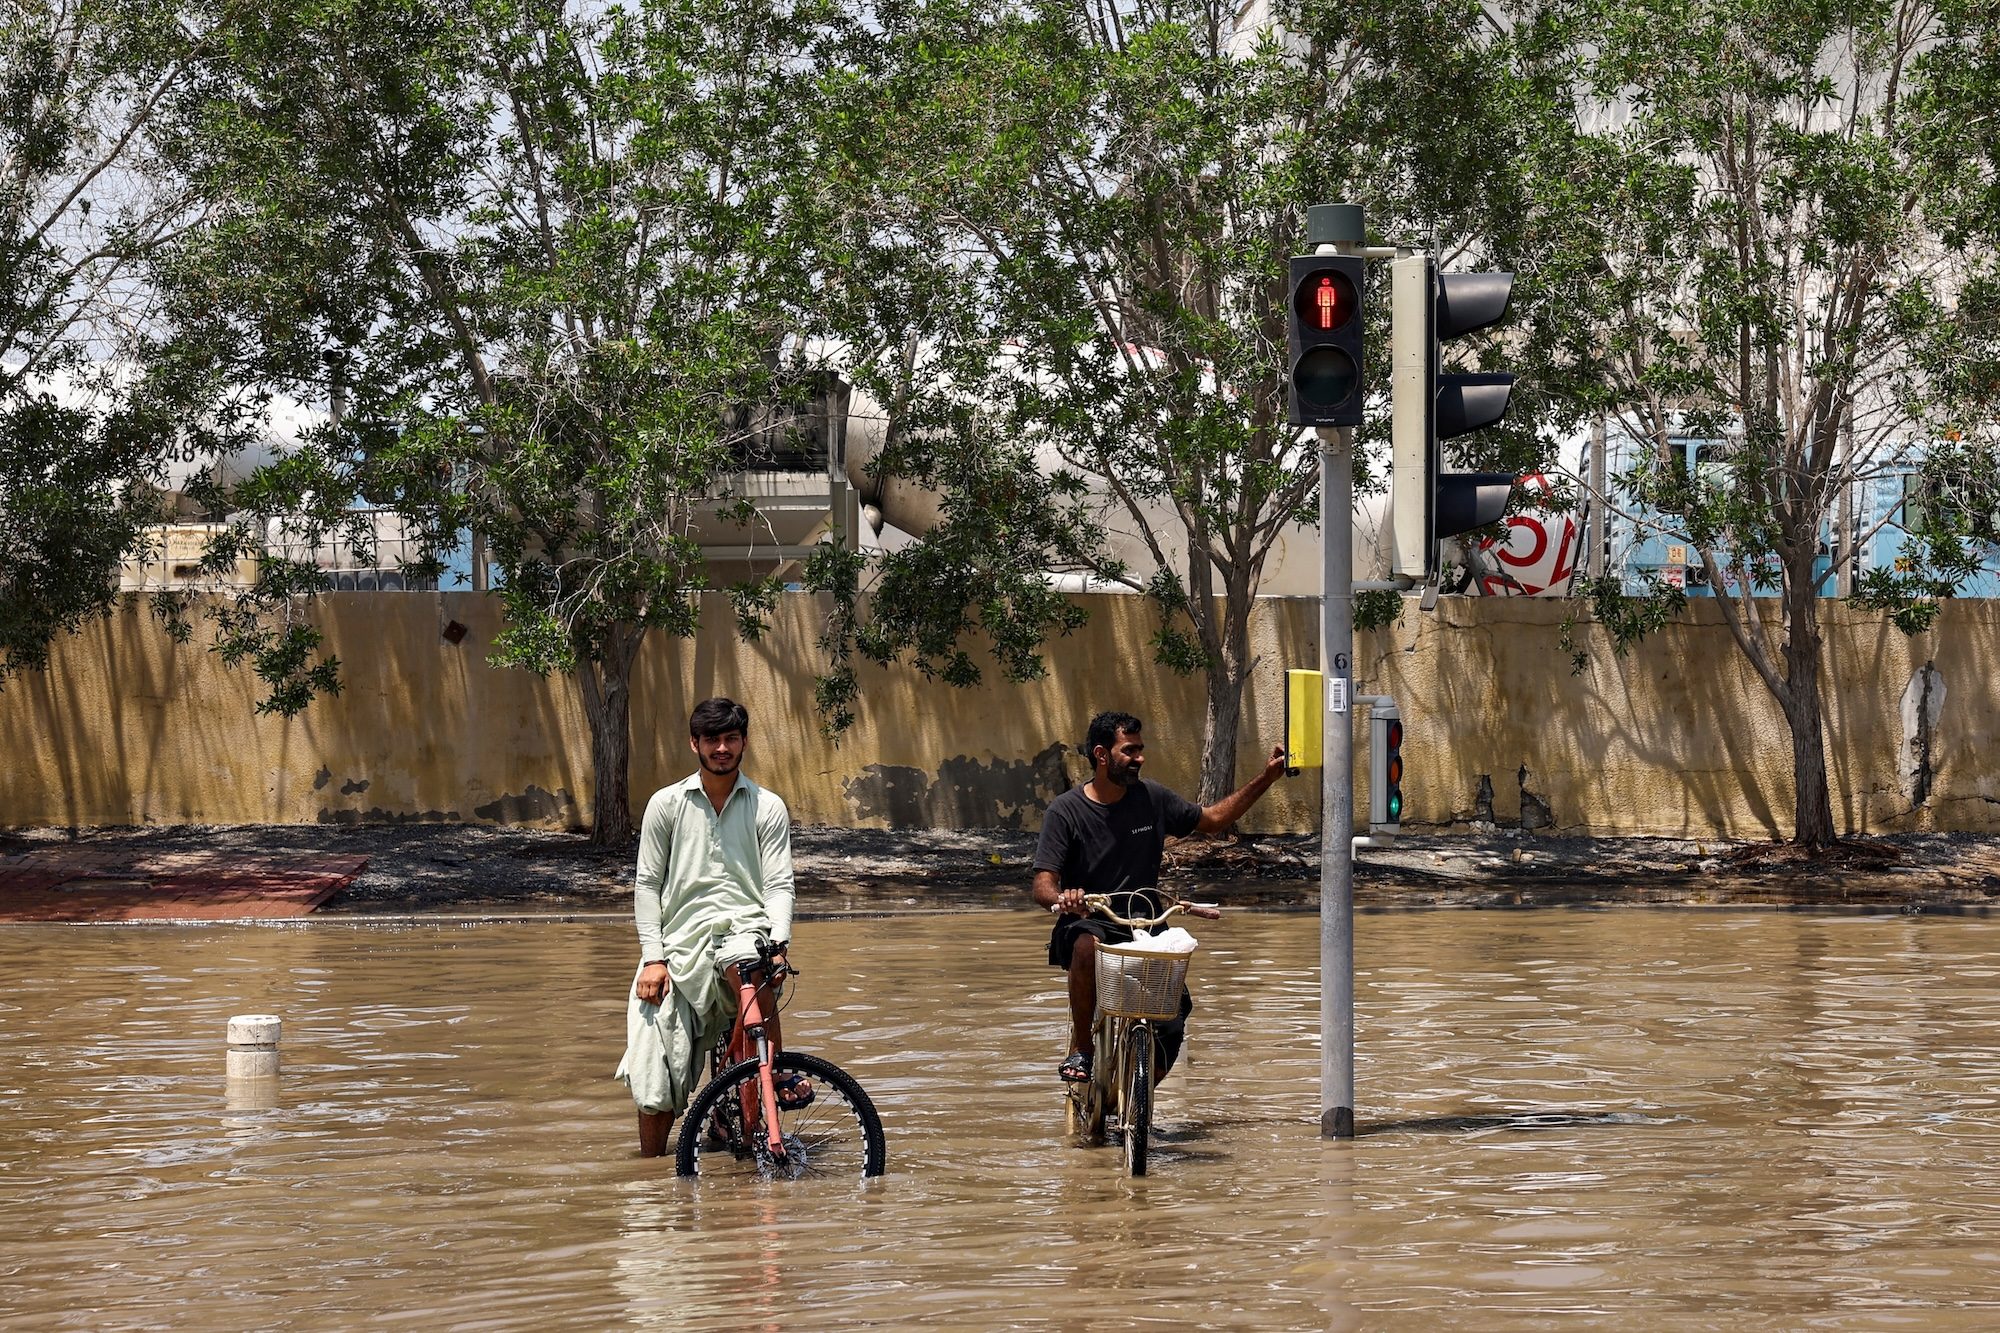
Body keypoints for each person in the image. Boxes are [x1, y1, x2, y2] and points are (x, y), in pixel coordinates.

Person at [1031, 710, 1287, 1085]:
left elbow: (1214, 820)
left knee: (1173, 1018)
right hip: (1091, 918)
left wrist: (1267, 778)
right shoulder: (1066, 811)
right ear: (1102, 755)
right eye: (1130, 750)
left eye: (1140, 749)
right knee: (1085, 944)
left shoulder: (1152, 798)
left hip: (1145, 924)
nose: (1140, 758)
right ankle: (1083, 1050)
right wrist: (1064, 898)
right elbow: (1042, 884)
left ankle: (1134, 1102)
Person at [615, 696, 807, 1157]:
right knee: (654, 1079)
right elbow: (646, 885)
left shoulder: (767, 806)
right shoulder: (666, 804)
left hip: (744, 931)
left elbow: (780, 883)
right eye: (712, 740)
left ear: (743, 743)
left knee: (750, 962)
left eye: (731, 738)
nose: (722, 747)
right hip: (676, 947)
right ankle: (650, 1180)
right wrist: (654, 958)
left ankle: (769, 1071)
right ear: (694, 744)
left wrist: (778, 943)